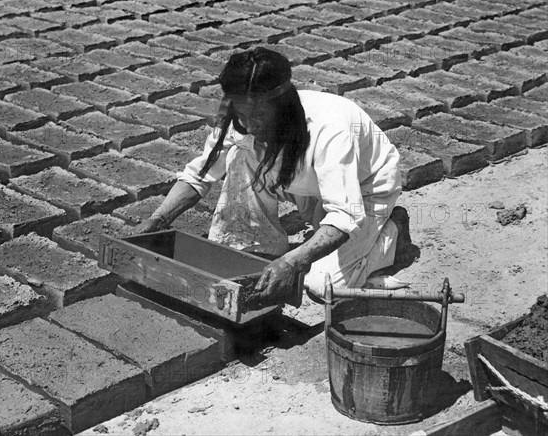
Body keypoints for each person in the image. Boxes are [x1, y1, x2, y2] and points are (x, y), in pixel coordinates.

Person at [137, 47, 413, 305]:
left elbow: (344, 215)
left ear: (283, 106)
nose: (249, 123)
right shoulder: (242, 120)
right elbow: (199, 175)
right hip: (308, 183)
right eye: (242, 113)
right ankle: (254, 247)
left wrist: (293, 262)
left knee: (321, 285)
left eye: (258, 115)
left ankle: (392, 234)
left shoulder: (331, 129)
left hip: (364, 190)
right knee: (240, 152)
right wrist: (157, 220)